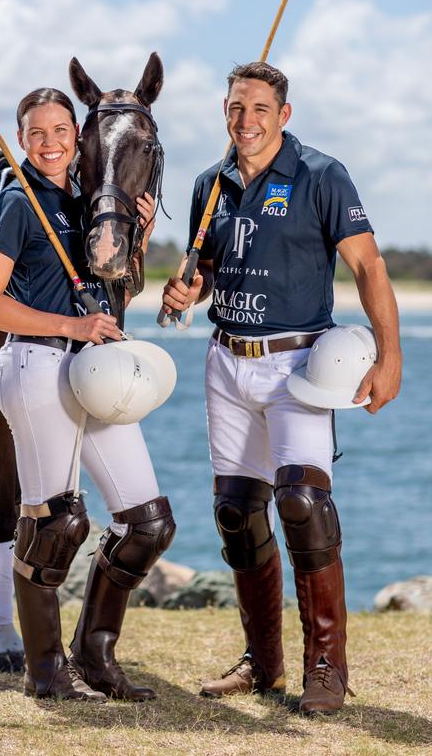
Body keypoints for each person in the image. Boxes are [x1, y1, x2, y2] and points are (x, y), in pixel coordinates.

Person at [161, 61, 401, 714]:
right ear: (224, 110)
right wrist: (186, 289)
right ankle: (262, 664)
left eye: (260, 108)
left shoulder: (322, 176)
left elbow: (370, 267)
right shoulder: (209, 184)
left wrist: (390, 356)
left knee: (303, 503)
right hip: (227, 361)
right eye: (237, 107)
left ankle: (326, 667)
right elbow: (206, 267)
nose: (247, 120)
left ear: (284, 114)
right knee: (238, 514)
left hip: (300, 364)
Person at [0, 87, 175, 702]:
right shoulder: (18, 201)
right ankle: (44, 672)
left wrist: (135, 240)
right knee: (56, 522)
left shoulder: (84, 203)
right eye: (38, 133)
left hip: (95, 370)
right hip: (35, 370)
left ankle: (94, 654)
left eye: (63, 131)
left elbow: (109, 300)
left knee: (147, 521)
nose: (53, 143)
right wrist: (71, 326)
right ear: (22, 139)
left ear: (79, 138)